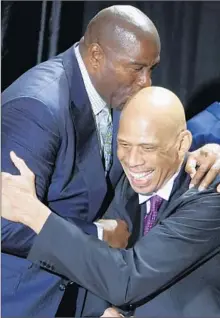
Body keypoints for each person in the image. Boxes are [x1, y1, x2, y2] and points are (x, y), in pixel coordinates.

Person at [1, 4, 219, 317]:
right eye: (137, 68)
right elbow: (5, 221)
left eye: (151, 68)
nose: (147, 82)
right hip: (24, 300)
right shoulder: (37, 107)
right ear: (97, 56)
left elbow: (166, 141)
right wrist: (100, 235)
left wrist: (215, 150)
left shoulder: (116, 93)